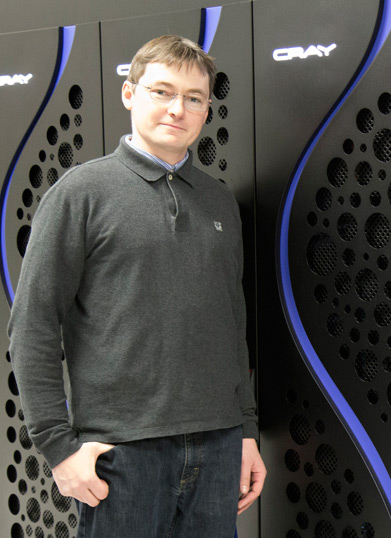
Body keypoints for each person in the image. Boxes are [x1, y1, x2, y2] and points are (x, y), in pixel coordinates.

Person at [8, 35, 266, 536]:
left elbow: (232, 326)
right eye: (162, 92)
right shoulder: (80, 194)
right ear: (129, 94)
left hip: (217, 447)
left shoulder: (218, 202)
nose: (178, 109)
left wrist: (247, 431)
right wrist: (58, 449)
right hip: (122, 455)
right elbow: (33, 326)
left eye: (194, 98)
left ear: (207, 108)